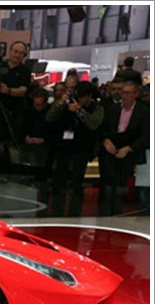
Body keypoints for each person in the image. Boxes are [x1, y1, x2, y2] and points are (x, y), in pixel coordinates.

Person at [45, 81, 104, 217]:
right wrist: (61, 103)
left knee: (77, 182)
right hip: (63, 146)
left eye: (84, 97)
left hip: (82, 148)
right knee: (58, 181)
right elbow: (49, 117)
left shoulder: (96, 107)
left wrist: (79, 110)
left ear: (89, 96)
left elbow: (94, 124)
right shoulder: (67, 103)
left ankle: (74, 213)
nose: (81, 99)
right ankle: (55, 212)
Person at [99, 82, 150, 216]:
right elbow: (102, 127)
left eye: (128, 93)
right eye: (123, 92)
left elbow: (147, 135)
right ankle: (105, 214)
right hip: (110, 150)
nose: (125, 96)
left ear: (136, 94)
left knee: (121, 185)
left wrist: (129, 148)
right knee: (107, 184)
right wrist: (105, 140)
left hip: (129, 152)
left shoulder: (144, 111)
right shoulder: (113, 109)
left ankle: (117, 213)